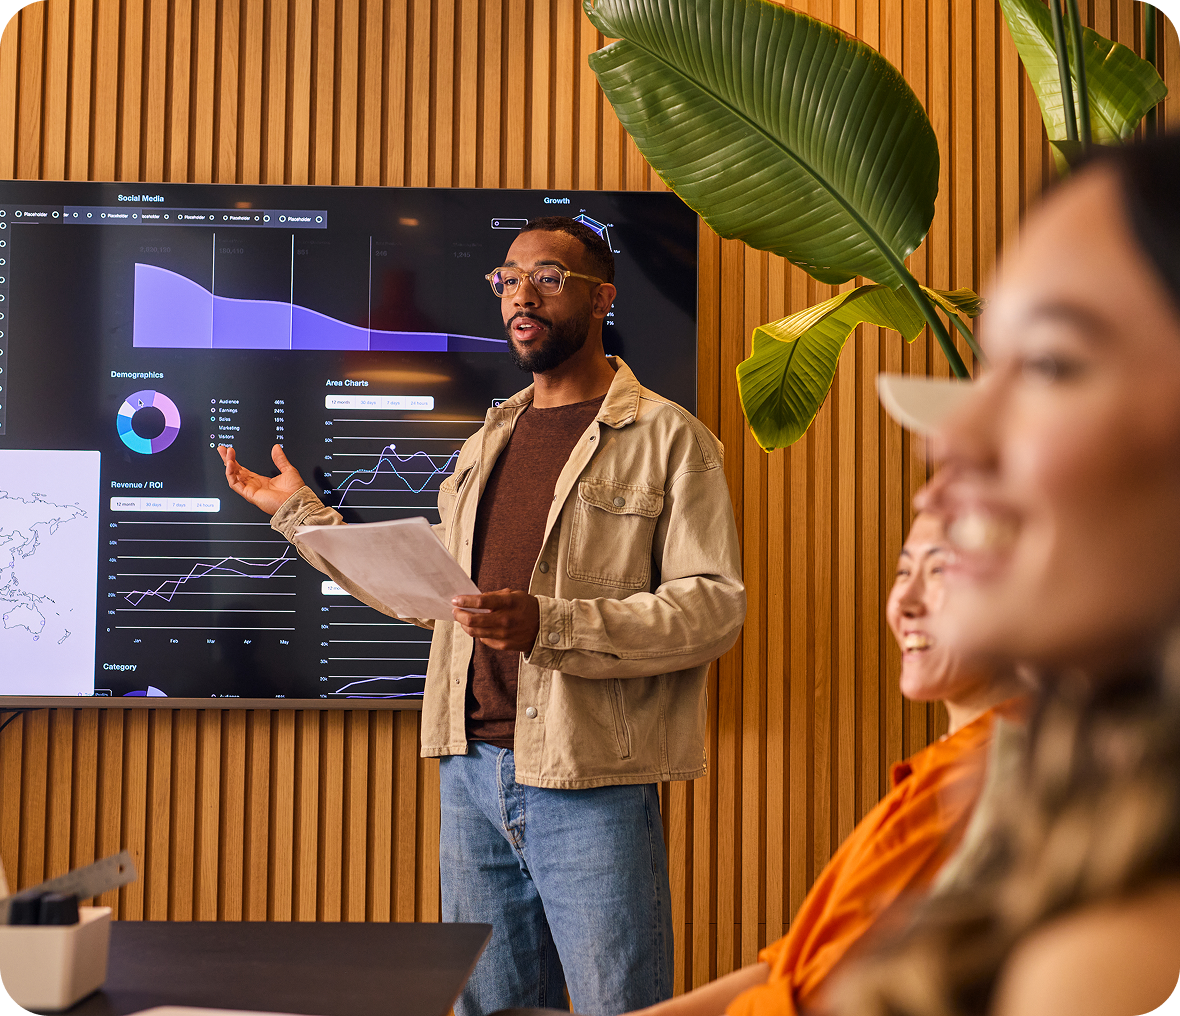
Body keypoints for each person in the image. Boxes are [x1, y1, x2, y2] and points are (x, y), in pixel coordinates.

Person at [217, 216, 746, 1016]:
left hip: (590, 783)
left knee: (620, 1008)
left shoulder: (670, 438)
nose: (521, 295)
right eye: (507, 278)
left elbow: (713, 609)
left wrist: (549, 625)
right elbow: (430, 590)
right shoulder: (488, 438)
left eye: (548, 277)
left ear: (601, 298)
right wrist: (302, 516)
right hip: (469, 774)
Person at [830, 134, 1180, 1016]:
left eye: (1051, 364)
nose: (950, 437)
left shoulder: (1111, 967)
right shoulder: (1076, 811)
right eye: (992, 366)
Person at [628, 512, 1027, 1016]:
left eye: (940, 571)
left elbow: (818, 997)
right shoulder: (950, 768)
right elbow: (792, 965)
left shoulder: (980, 785)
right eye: (903, 571)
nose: (905, 602)